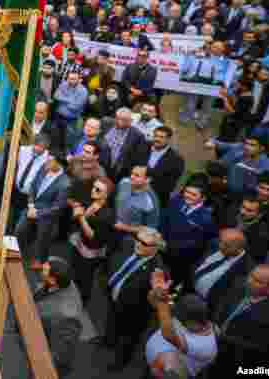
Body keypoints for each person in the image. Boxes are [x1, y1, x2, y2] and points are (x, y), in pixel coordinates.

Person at [2, 257, 84, 376]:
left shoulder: (66, 316)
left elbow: (60, 354)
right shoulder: (62, 278)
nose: (40, 272)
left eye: (43, 272)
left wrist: (39, 371)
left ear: (52, 280)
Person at [100, 226, 166, 371]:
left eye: (144, 243)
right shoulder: (129, 245)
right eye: (138, 239)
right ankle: (107, 341)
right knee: (111, 322)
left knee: (127, 341)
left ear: (155, 248)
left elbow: (154, 300)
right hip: (115, 299)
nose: (138, 244)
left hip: (134, 313)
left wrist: (157, 293)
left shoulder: (158, 271)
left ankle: (120, 364)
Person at [211, 265, 269, 372]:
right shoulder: (238, 285)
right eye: (251, 276)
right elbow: (221, 307)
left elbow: (259, 347)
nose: (249, 281)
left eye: (257, 281)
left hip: (228, 360)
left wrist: (222, 337)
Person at [145, 282, 218, 379]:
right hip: (154, 363)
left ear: (193, 322)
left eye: (181, 320)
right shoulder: (190, 316)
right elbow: (156, 303)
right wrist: (156, 294)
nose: (177, 320)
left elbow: (169, 336)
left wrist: (162, 304)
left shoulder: (205, 346)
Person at [16, 150, 70, 270]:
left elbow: (58, 207)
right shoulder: (42, 170)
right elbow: (32, 188)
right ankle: (18, 251)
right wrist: (30, 205)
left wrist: (38, 213)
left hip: (47, 216)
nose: (46, 162)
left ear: (58, 165)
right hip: (32, 208)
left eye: (50, 161)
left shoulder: (65, 184)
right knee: (19, 230)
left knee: (42, 240)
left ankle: (41, 260)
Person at [68, 175, 116, 306]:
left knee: (85, 278)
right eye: (94, 187)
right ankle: (71, 294)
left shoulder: (107, 214)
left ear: (106, 196)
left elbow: (93, 237)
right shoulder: (91, 201)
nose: (93, 190)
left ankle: (81, 302)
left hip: (90, 252)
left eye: (98, 190)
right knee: (75, 270)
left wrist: (81, 217)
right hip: (80, 243)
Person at [188, 228, 254, 312]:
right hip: (189, 290)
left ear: (239, 248)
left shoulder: (247, 268)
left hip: (206, 306)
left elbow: (230, 297)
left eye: (226, 245)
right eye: (221, 242)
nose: (220, 246)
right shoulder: (214, 244)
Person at [142, 126, 186, 209]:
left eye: (161, 137)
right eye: (155, 136)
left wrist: (147, 176)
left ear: (169, 139)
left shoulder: (176, 159)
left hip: (156, 198)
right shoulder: (144, 148)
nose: (157, 139)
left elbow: (170, 184)